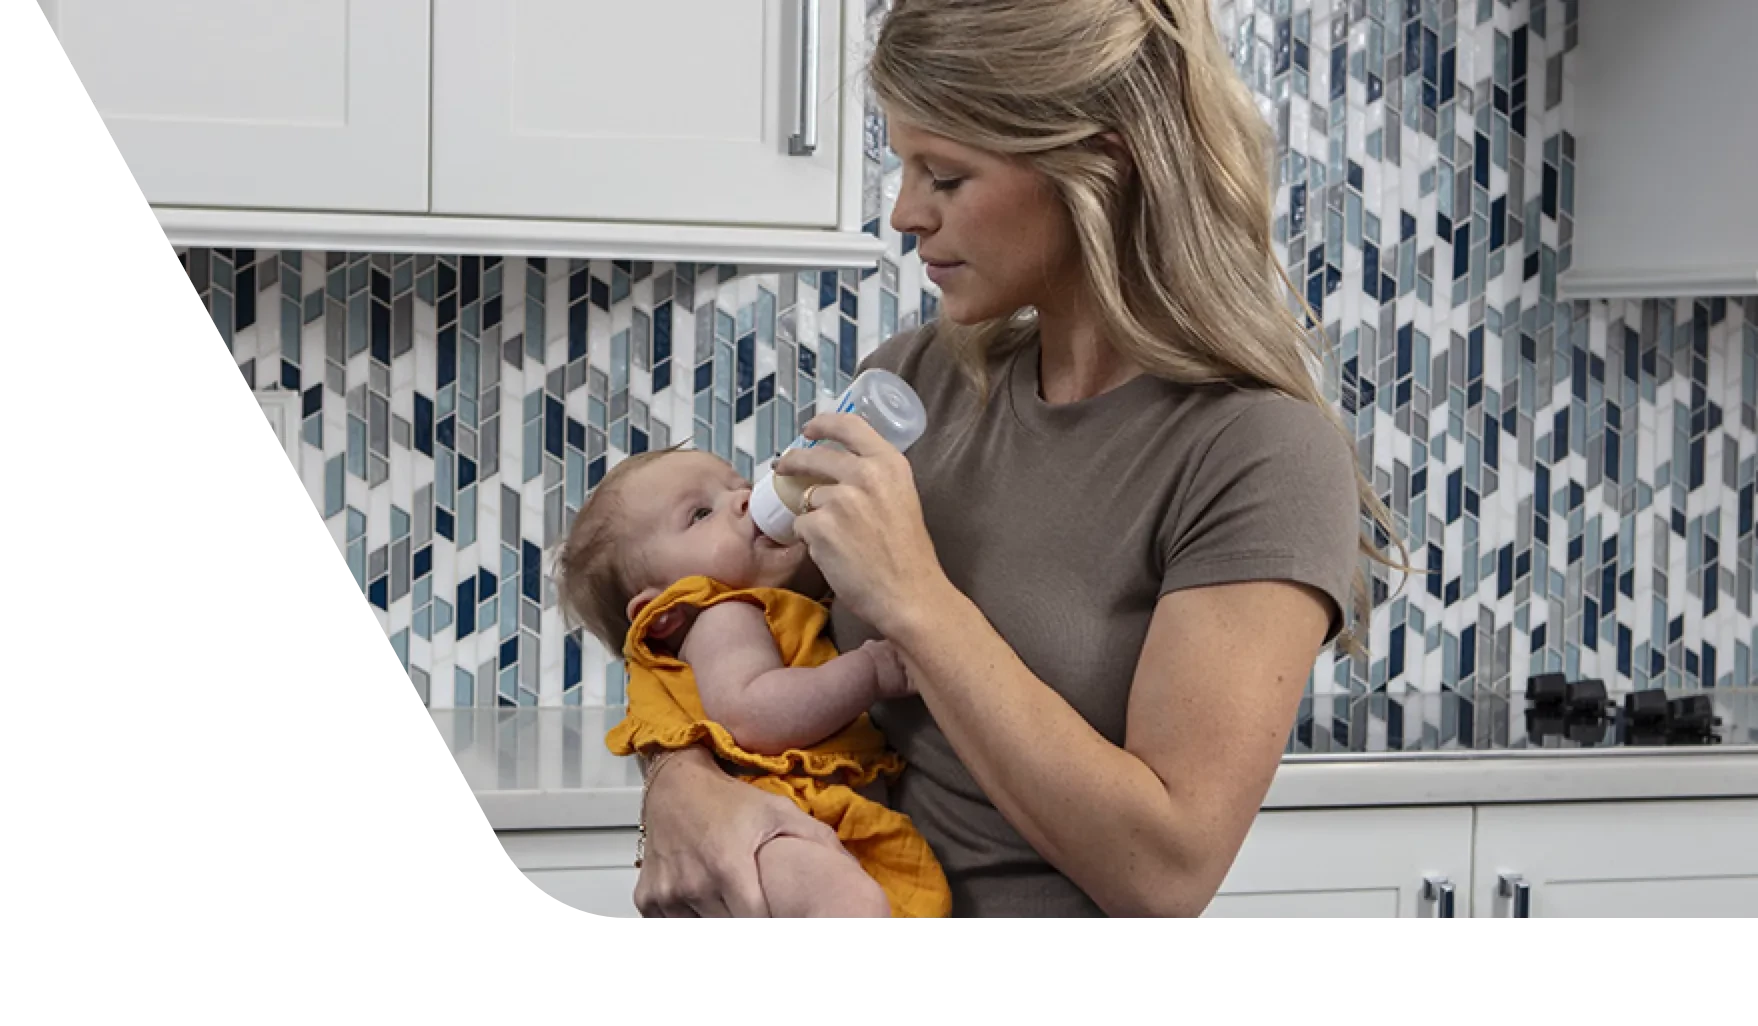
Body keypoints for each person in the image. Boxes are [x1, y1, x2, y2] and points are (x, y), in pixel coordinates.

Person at [629, 0, 1402, 919]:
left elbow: (1165, 872)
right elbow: (724, 641)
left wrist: (915, 598)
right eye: (902, 164)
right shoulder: (910, 387)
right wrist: (677, 782)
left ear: (1104, 163)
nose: (906, 212)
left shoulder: (1255, 454)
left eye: (946, 175)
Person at [554, 447, 953, 918]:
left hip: (809, 825)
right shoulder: (722, 614)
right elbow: (752, 714)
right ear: (662, 613)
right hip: (770, 825)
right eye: (700, 513)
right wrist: (869, 672)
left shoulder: (779, 604)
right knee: (851, 904)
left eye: (738, 485)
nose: (744, 499)